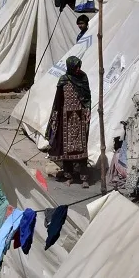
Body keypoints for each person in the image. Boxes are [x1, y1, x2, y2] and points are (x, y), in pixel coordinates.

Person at [47, 56, 91, 187]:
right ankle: (69, 176)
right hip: (66, 118)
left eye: (79, 66)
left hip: (80, 118)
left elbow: (87, 96)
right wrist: (56, 117)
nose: (78, 69)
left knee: (81, 148)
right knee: (66, 149)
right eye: (76, 67)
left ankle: (84, 178)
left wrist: (87, 109)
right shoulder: (63, 80)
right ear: (70, 67)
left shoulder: (83, 78)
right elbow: (58, 100)